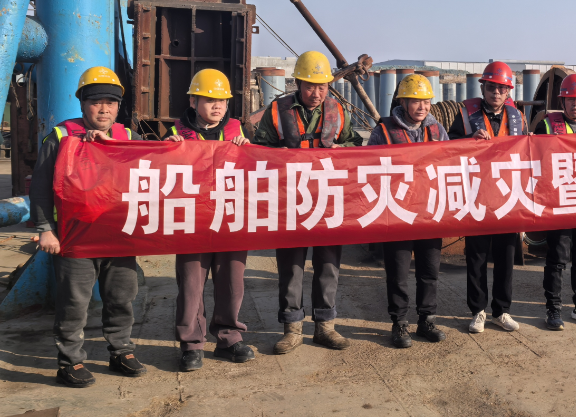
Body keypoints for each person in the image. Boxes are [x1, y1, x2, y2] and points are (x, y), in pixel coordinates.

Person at [30, 66, 144, 387]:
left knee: (122, 296)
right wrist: (45, 228)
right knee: (74, 302)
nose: (103, 109)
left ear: (118, 107)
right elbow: (41, 187)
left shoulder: (129, 138)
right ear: (82, 104)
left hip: (119, 236)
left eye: (111, 102)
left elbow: (155, 174)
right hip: (75, 236)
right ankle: (70, 361)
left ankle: (121, 350)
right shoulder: (60, 137)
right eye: (96, 102)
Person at [252, 50, 362, 353]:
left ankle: (326, 326)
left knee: (329, 264)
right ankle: (292, 329)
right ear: (298, 83)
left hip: (328, 199)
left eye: (322, 86)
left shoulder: (338, 111)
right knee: (291, 266)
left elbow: (355, 145)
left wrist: (343, 149)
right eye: (310, 86)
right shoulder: (277, 110)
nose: (316, 93)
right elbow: (260, 150)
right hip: (290, 201)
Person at [164, 69, 254, 371]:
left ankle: (229, 338)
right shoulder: (176, 133)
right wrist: (167, 151)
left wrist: (248, 151)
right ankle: (192, 344)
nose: (218, 106)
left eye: (222, 101)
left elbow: (259, 170)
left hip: (230, 219)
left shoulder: (238, 131)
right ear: (193, 101)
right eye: (210, 100)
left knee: (232, 283)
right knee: (191, 285)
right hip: (192, 222)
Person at [366, 74, 450, 348]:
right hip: (397, 212)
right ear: (402, 102)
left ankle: (427, 319)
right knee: (398, 272)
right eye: (415, 101)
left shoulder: (437, 130)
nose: (421, 107)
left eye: (426, 101)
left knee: (429, 270)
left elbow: (451, 162)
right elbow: (368, 167)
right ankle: (399, 322)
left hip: (429, 212)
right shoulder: (384, 131)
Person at [447, 61, 526, 334]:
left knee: (506, 257)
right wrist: (470, 138)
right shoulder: (465, 115)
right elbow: (448, 147)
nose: (496, 92)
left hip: (507, 197)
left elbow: (527, 154)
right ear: (483, 88)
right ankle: (478, 311)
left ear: (509, 91)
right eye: (491, 87)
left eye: (502, 88)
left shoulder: (518, 117)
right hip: (477, 195)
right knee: (477, 257)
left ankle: (501, 311)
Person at [535, 73, 576, 330]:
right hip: (559, 203)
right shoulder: (546, 126)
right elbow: (536, 162)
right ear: (562, 102)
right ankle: (553, 308)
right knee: (557, 258)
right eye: (571, 99)